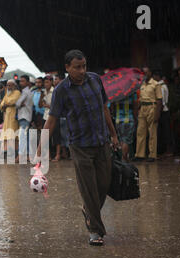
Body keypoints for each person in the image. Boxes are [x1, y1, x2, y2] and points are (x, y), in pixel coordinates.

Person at [35, 49, 119, 246]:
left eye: (84, 66)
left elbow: (104, 108)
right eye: (77, 67)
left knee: (104, 184)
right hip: (80, 145)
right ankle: (95, 231)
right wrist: (41, 150)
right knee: (88, 188)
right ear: (67, 68)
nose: (82, 71)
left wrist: (113, 134)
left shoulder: (95, 80)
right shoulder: (61, 90)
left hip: (101, 141)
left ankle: (88, 210)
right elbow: (52, 120)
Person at [133, 67, 163, 162]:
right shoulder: (141, 84)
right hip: (142, 108)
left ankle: (152, 155)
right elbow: (140, 98)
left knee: (152, 132)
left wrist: (157, 114)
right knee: (140, 132)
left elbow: (159, 100)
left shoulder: (156, 84)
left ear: (150, 72)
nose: (145, 74)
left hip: (152, 108)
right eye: (143, 73)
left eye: (146, 72)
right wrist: (137, 110)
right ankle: (139, 154)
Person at [108, 93, 139, 161]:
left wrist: (114, 114)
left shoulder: (116, 93)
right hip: (129, 119)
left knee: (121, 139)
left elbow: (111, 105)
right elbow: (135, 105)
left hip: (118, 120)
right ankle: (124, 158)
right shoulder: (132, 93)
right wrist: (135, 118)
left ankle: (124, 158)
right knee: (126, 141)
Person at [0, 79, 21, 159]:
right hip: (7, 117)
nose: (8, 87)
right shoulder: (6, 94)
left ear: (14, 86)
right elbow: (1, 104)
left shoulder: (17, 93)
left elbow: (12, 101)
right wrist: (5, 105)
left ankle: (14, 152)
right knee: (6, 135)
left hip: (13, 117)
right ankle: (6, 152)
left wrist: (6, 104)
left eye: (10, 85)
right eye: (7, 85)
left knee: (14, 135)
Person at [15, 75, 34, 163]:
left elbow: (17, 104)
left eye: (23, 81)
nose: (21, 82)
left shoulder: (25, 92)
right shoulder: (28, 91)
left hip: (24, 116)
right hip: (26, 116)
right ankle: (27, 156)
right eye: (20, 81)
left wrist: (19, 104)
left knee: (22, 137)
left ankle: (20, 156)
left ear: (27, 82)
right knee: (25, 137)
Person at [153, 71, 172, 157]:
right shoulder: (163, 86)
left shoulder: (161, 87)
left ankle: (168, 150)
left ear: (157, 76)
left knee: (165, 131)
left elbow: (161, 102)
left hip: (163, 111)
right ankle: (165, 150)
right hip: (163, 111)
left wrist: (157, 114)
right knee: (164, 131)